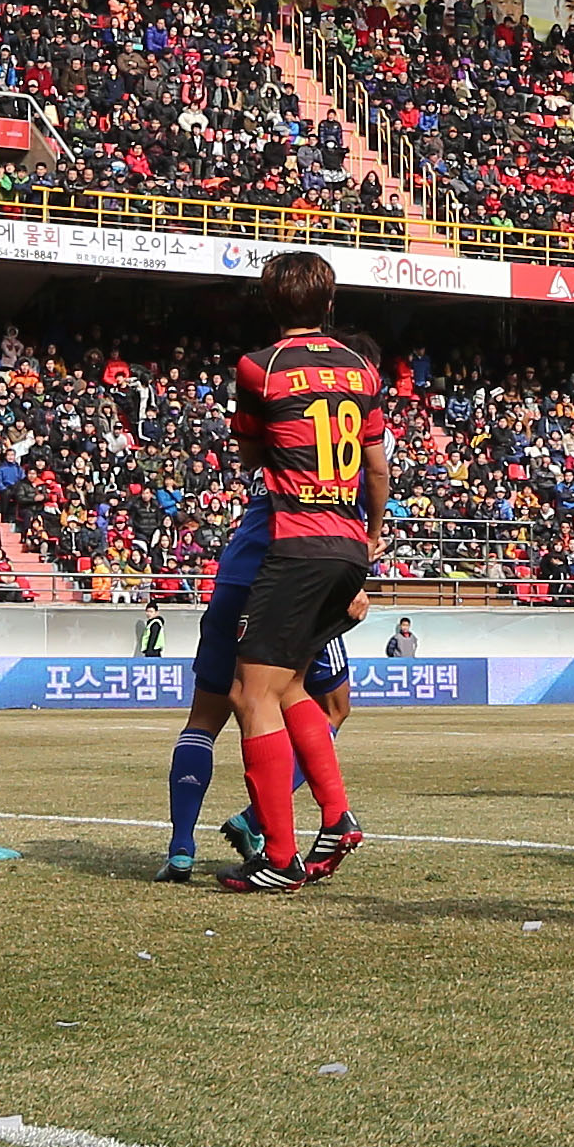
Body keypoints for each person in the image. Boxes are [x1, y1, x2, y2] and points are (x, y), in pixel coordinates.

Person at [213, 250, 385, 892]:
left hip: (296, 542)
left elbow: (253, 449)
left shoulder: (258, 367)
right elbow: (376, 467)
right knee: (289, 690)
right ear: (330, 305)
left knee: (248, 694)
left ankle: (279, 858)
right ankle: (336, 819)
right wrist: (369, 539)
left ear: (270, 305)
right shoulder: (362, 370)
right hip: (347, 545)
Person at [157, 478, 356, 883]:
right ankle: (285, 835)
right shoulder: (338, 433)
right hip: (300, 573)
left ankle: (182, 846)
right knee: (307, 699)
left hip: (240, 573)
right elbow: (366, 484)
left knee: (206, 718)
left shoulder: (275, 429)